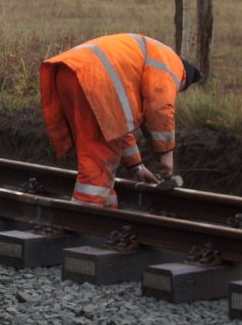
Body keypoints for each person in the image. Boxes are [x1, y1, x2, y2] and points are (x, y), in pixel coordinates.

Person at [40, 32, 203, 208]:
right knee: (99, 158)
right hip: (95, 81)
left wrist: (137, 166)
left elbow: (117, 127)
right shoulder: (171, 65)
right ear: (184, 79)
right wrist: (166, 155)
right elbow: (160, 107)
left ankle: (106, 214)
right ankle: (80, 218)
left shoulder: (148, 53)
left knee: (98, 150)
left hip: (68, 72)